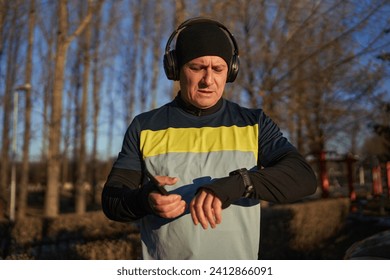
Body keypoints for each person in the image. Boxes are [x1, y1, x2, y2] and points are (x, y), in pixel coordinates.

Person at [102, 17, 317, 260]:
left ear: (231, 71)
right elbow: (112, 200)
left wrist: (239, 184)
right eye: (197, 68)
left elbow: (304, 178)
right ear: (175, 68)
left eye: (218, 69)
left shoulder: (253, 123)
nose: (208, 80)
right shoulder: (145, 126)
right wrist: (144, 200)